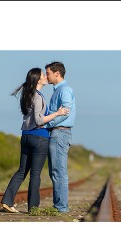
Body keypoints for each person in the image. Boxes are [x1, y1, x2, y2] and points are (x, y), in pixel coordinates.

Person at [0, 68, 69, 214]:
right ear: (38, 80)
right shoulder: (38, 97)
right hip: (39, 137)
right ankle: (33, 208)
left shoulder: (27, 95)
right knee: (35, 173)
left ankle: (7, 200)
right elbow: (38, 120)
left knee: (21, 171)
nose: (45, 77)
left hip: (25, 136)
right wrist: (58, 113)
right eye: (43, 75)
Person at [44, 61, 75, 213]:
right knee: (55, 171)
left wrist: (47, 124)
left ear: (57, 73)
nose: (46, 76)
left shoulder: (64, 90)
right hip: (56, 132)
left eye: (48, 73)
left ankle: (61, 207)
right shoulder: (58, 90)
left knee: (59, 171)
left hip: (60, 132)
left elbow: (66, 111)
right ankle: (59, 206)